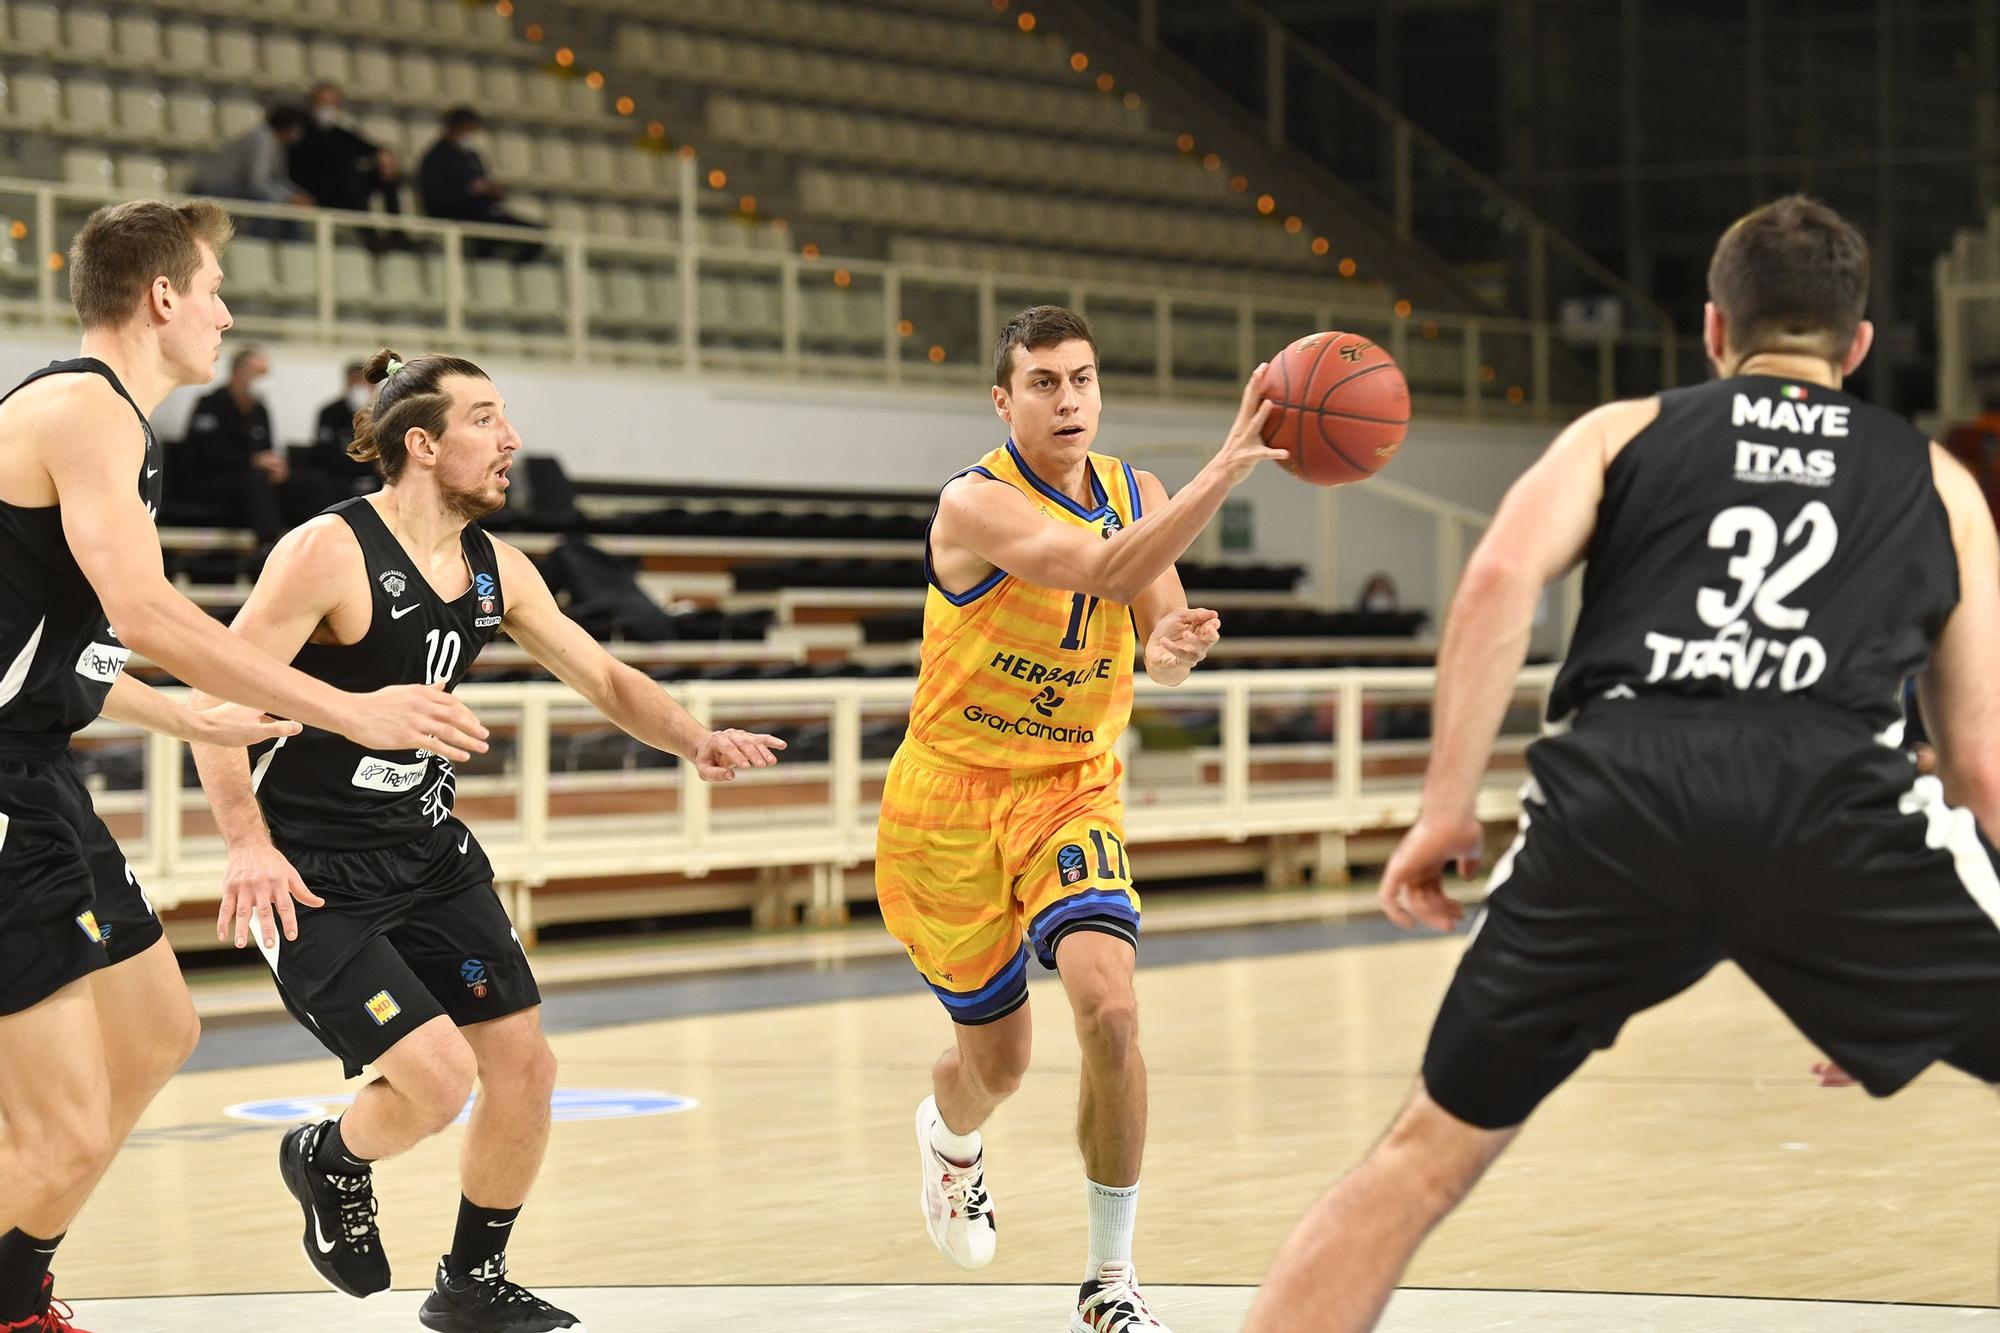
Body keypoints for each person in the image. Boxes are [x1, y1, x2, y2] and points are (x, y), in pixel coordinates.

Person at [1246, 195, 2000, 1332]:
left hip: (1616, 796)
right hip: (1829, 801)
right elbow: (1979, 764)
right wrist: (1891, 963)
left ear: (1710, 330)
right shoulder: (1935, 478)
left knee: (1415, 1163)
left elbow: (1497, 579)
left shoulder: (1620, 429)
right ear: (1855, 346)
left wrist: (1442, 811)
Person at [188, 348, 786, 1333]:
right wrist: (245, 842)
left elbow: (601, 677)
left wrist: (693, 738)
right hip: (314, 870)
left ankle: (472, 1279)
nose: (510, 441)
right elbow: (215, 700)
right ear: (421, 445)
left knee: (526, 1066)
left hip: (424, 848)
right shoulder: (325, 553)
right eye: (485, 420)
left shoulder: (493, 568)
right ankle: (329, 1157)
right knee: (436, 1079)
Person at [0, 199, 485, 1332]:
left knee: (161, 1030)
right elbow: (146, 609)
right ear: (162, 297)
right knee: (62, 1129)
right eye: (212, 288)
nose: (224, 311)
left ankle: (18, 1288)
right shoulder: (85, 410)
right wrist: (346, 709)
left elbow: (55, 650)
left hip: (34, 768)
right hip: (5, 786)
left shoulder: (103, 423)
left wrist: (187, 722)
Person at [876, 305, 1283, 1332]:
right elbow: (1099, 568)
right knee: (996, 1064)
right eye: (1046, 383)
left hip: (1070, 784)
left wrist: (1173, 647)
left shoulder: (1133, 493)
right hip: (949, 802)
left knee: (1110, 1008)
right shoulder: (971, 504)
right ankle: (951, 1140)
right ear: (1003, 399)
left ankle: (1110, 1277)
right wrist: (1227, 467)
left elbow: (1149, 623)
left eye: (1084, 380)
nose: (1069, 400)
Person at [168, 344, 294, 547]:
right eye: (259, 373)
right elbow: (207, 456)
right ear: (238, 373)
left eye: (266, 373)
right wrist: (253, 461)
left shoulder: (260, 410)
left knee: (307, 481)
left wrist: (277, 467)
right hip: (211, 481)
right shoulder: (210, 404)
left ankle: (308, 544)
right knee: (255, 482)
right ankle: (273, 545)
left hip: (250, 483)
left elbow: (267, 451)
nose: (265, 379)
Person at [418, 108, 541, 262]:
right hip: (454, 213)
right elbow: (435, 199)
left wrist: (492, 192)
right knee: (489, 230)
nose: (471, 135)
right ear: (454, 128)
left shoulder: (472, 157)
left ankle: (515, 268)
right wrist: (469, 191)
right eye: (468, 129)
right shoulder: (435, 158)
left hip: (483, 211)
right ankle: (480, 266)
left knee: (536, 232)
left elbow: (483, 183)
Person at [290, 84, 406, 235]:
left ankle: (397, 233)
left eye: (333, 103)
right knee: (351, 174)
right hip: (316, 189)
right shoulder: (300, 131)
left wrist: (384, 155)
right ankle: (369, 235)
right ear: (313, 103)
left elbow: (367, 147)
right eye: (324, 103)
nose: (329, 108)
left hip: (345, 188)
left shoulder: (340, 132)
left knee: (386, 176)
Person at [188, 104, 314, 238]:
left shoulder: (278, 145)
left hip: (237, 188)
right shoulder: (261, 138)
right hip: (209, 188)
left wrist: (296, 195)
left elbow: (278, 179)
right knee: (267, 201)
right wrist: (288, 198)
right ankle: (256, 246)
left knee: (293, 208)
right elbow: (256, 182)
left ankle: (287, 251)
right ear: (290, 127)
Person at [295, 361, 382, 513]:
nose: (361, 387)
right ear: (347, 383)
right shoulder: (330, 413)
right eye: (356, 382)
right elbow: (325, 453)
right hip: (339, 478)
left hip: (375, 476)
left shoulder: (384, 414)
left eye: (366, 383)